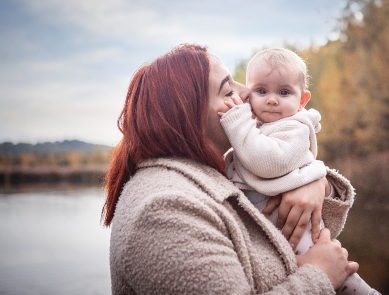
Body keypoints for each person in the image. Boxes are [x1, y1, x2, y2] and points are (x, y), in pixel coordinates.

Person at [102, 44, 359, 294]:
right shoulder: (163, 209)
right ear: (188, 116)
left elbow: (305, 226)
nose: (247, 93)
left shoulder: (208, 174)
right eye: (228, 92)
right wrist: (319, 277)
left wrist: (314, 182)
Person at [220, 48, 380, 295]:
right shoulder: (258, 126)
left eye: (284, 92)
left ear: (302, 101)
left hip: (295, 230)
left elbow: (266, 160)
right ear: (248, 94)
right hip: (271, 228)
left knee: (346, 281)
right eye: (261, 91)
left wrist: (237, 120)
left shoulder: (295, 127)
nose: (272, 99)